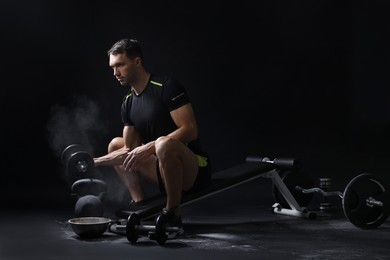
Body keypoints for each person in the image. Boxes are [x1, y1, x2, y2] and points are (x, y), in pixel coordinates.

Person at [93, 38, 211, 235]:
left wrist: (149, 147)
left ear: (137, 62)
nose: (115, 73)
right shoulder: (128, 102)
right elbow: (129, 149)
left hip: (195, 170)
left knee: (164, 144)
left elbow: (190, 130)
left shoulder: (166, 87)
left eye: (120, 65)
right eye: (113, 67)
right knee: (116, 145)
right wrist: (93, 162)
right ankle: (141, 206)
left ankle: (173, 213)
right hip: (162, 169)